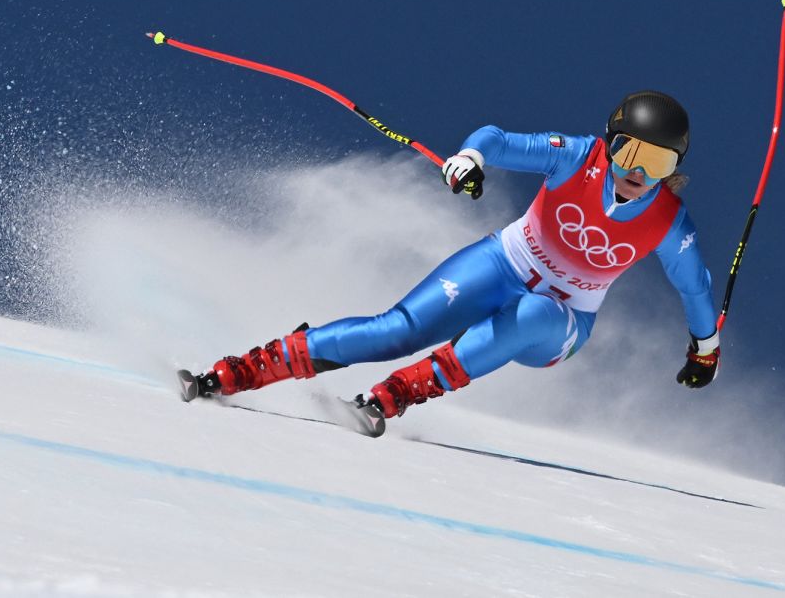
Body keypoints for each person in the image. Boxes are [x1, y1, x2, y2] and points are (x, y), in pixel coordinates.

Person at [183, 90, 720, 419]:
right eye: (630, 152)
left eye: (657, 162)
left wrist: (705, 347)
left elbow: (694, 286)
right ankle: (245, 370)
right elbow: (496, 138)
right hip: (505, 262)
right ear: (609, 142)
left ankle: (400, 393)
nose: (638, 173)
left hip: (564, 322)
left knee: (533, 313)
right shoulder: (577, 157)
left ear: (674, 167)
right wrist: (470, 158)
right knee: (397, 330)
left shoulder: (667, 221)